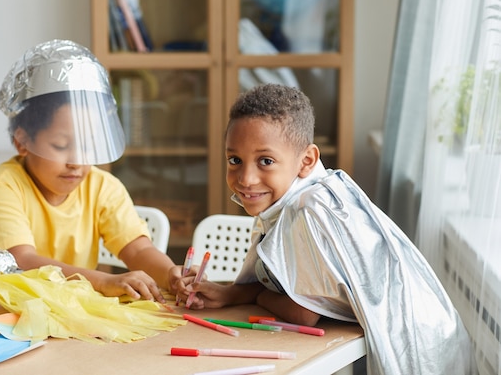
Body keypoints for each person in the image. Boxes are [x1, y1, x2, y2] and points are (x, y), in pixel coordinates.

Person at [182, 84, 477, 374]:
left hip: (421, 351)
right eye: (235, 160)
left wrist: (255, 297)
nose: (246, 178)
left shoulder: (309, 212)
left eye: (266, 161)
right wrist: (231, 294)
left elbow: (304, 313)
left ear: (306, 160)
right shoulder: (301, 196)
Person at [0, 39, 185, 303]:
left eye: (88, 146)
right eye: (61, 145)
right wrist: (103, 281)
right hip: (14, 308)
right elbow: (21, 260)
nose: (77, 161)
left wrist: (171, 275)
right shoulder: (3, 185)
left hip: (75, 308)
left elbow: (137, 248)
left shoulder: (102, 187)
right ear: (23, 141)